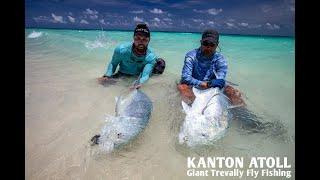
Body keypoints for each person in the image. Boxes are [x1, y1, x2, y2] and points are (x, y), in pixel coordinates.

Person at [177, 29, 245, 106]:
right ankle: (191, 109)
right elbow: (186, 77)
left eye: (212, 44)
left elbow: (220, 78)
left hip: (211, 85)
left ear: (217, 44)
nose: (208, 47)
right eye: (205, 43)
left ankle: (242, 114)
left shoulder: (220, 59)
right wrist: (204, 84)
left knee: (232, 91)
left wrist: (214, 83)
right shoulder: (191, 56)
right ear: (201, 42)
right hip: (194, 84)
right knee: (182, 88)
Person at [98, 23, 165, 89]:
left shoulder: (150, 56)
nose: (141, 42)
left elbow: (145, 75)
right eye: (138, 38)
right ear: (133, 38)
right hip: (122, 74)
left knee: (160, 64)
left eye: (144, 39)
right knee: (101, 82)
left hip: (138, 75)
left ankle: (156, 65)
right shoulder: (121, 50)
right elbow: (113, 63)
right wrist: (107, 75)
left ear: (149, 40)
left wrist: (140, 82)